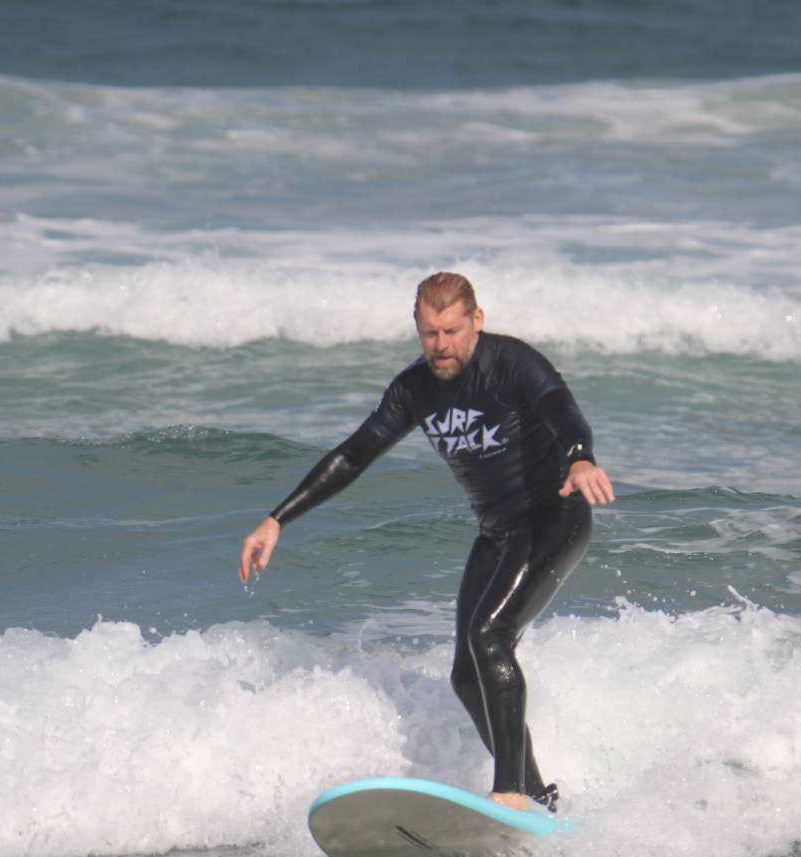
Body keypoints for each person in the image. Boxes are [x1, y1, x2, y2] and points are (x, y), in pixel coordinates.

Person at [238, 272, 614, 813]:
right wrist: (277, 520)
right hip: (498, 532)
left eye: (452, 332)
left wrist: (580, 456)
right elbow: (354, 454)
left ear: (476, 322)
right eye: (429, 333)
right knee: (466, 675)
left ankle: (509, 792)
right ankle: (536, 794)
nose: (441, 346)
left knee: (491, 636)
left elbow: (561, 408)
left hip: (554, 516)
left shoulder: (512, 364)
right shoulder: (414, 389)